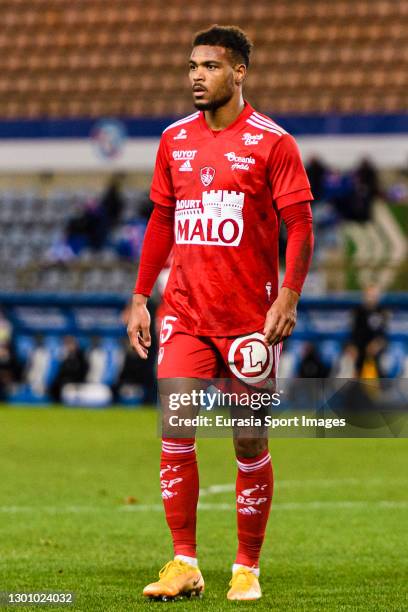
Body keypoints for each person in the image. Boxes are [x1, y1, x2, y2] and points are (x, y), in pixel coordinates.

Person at [127, 25, 314, 601]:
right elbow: (161, 220)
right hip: (184, 314)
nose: (196, 76)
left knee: (248, 443)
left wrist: (288, 297)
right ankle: (183, 562)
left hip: (250, 322)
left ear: (239, 73)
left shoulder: (272, 142)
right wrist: (139, 296)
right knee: (175, 431)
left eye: (209, 66)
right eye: (191, 66)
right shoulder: (173, 140)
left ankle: (246, 567)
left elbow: (301, 224)